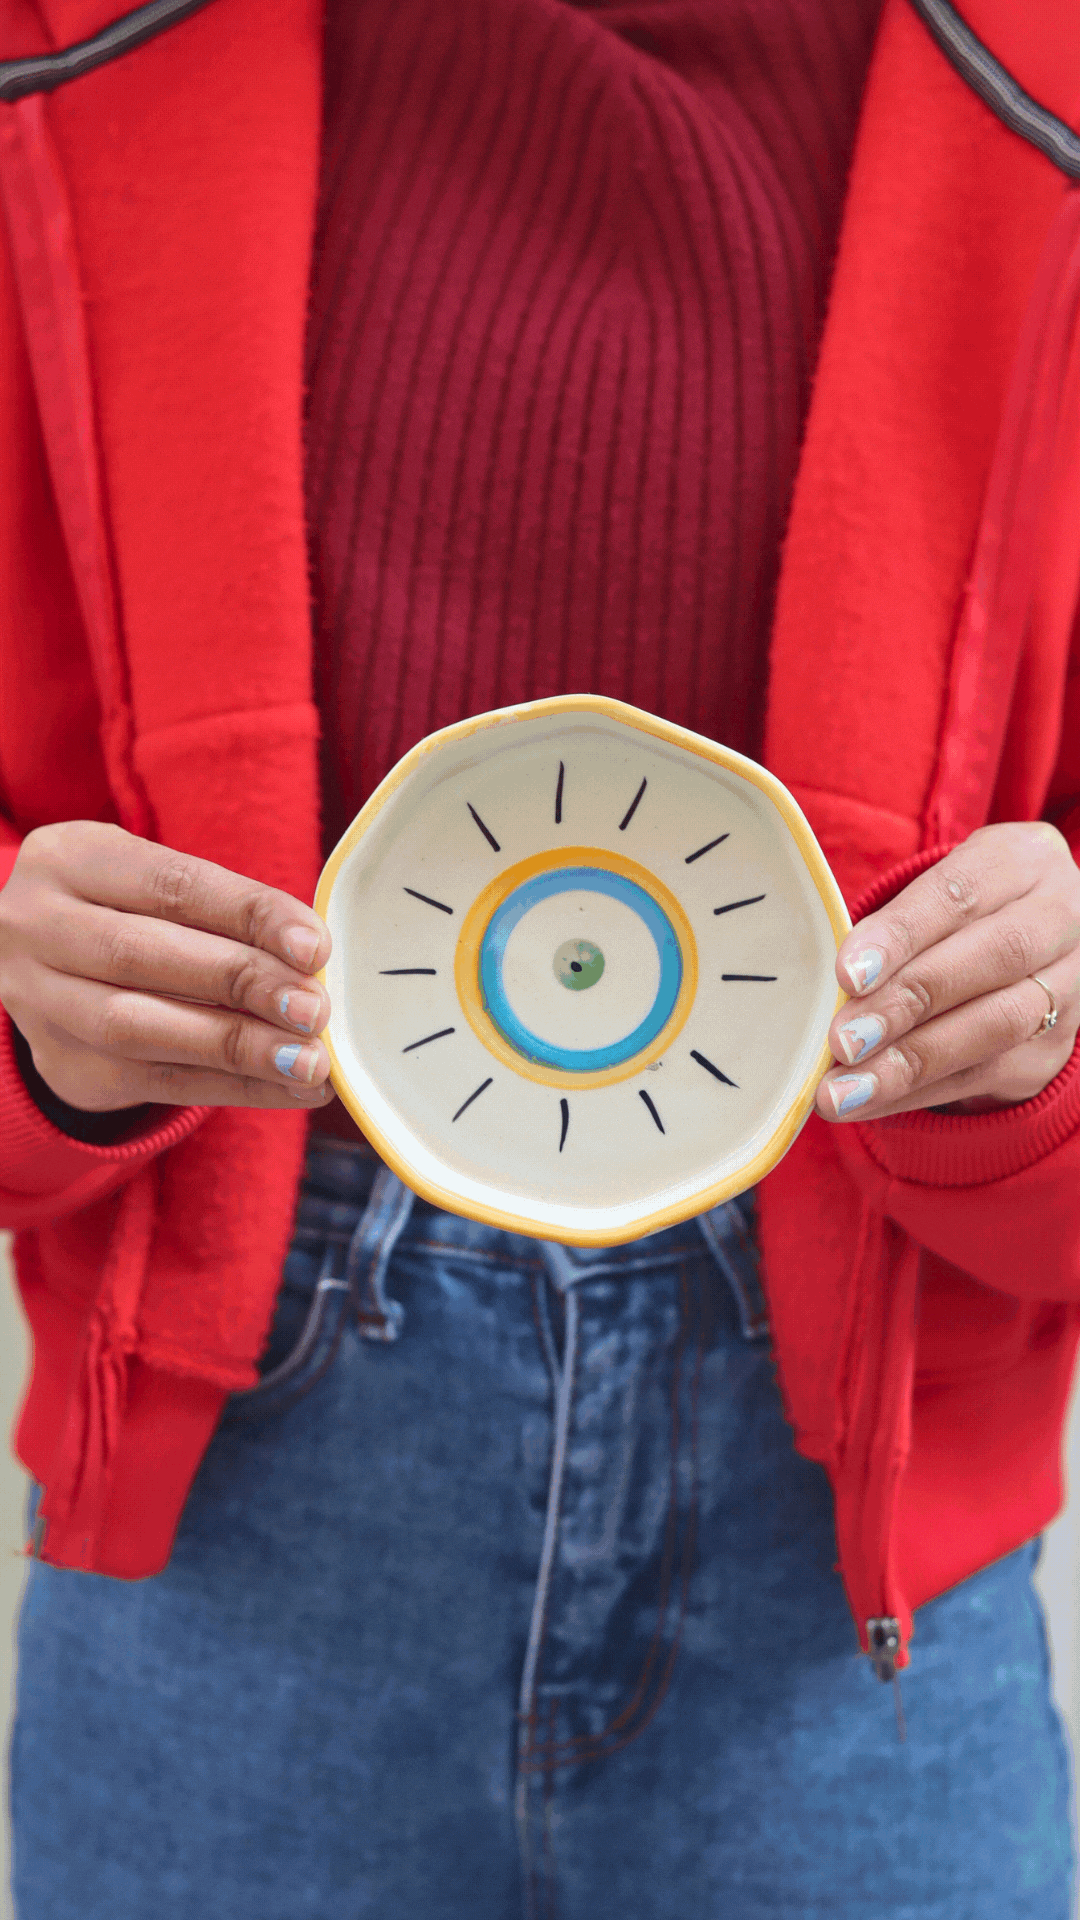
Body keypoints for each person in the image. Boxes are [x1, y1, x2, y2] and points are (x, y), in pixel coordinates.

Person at [0, 0, 1078, 1913]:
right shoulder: (61, 67)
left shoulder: (1044, 102)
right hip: (234, 1527)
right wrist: (34, 1021)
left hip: (850, 1563)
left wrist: (1045, 1039)